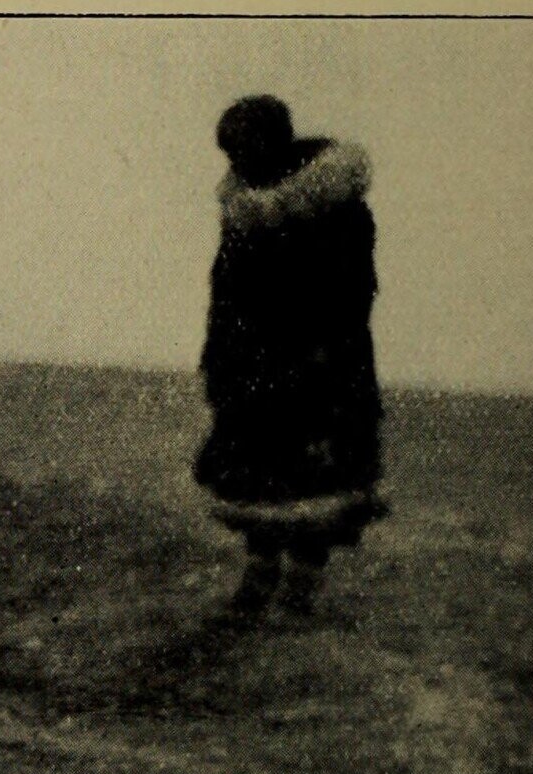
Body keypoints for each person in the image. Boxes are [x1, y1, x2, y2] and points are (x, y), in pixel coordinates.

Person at [194, 95, 387, 618]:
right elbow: (225, 290)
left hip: (319, 363)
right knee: (262, 474)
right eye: (229, 152)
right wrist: (219, 357)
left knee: (314, 476)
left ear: (270, 143)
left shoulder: (336, 207)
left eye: (241, 148)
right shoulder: (243, 210)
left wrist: (322, 356)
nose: (234, 162)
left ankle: (301, 585)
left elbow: (351, 291)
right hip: (252, 365)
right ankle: (259, 576)